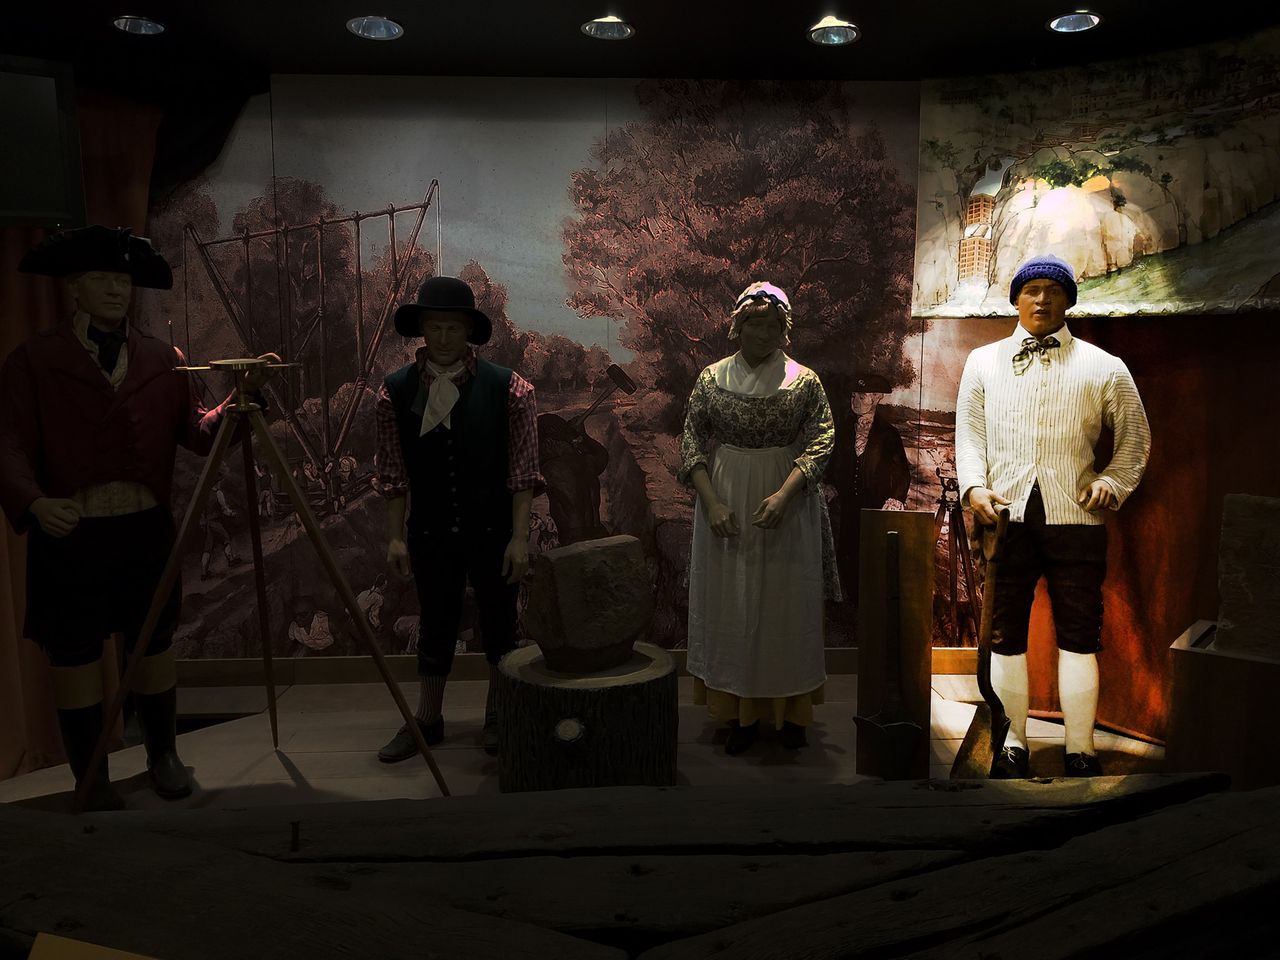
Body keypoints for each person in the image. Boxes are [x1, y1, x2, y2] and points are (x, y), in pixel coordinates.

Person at [0, 225, 274, 810]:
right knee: (73, 651)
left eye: (122, 280)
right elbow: (8, 444)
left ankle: (163, 756)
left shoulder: (161, 359)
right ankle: (91, 774)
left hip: (144, 532)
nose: (115, 290)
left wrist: (241, 401)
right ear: (74, 287)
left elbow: (197, 433)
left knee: (153, 642)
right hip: (70, 534)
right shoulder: (35, 361)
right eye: (101, 279)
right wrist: (36, 502)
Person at [955, 254, 1151, 778]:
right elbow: (969, 436)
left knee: (1080, 635)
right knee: (1005, 635)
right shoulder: (983, 362)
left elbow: (1135, 437)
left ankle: (1081, 748)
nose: (1042, 299)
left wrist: (1112, 481)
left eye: (1053, 290)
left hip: (1077, 520)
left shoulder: (1104, 366)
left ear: (1069, 300)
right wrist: (973, 487)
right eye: (1031, 290)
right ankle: (1012, 742)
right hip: (1006, 518)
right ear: (1016, 299)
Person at [373, 275, 542, 759]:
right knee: (436, 622)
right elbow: (392, 474)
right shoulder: (394, 392)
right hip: (430, 530)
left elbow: (523, 474)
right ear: (422, 330)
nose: (444, 337)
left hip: (492, 530)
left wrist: (519, 538)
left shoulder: (510, 389)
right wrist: (395, 537)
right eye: (435, 326)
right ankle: (427, 719)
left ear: (468, 331)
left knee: (499, 625)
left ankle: (498, 714)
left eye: (453, 327)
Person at [679, 281, 840, 755]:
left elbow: (822, 438)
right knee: (733, 602)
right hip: (726, 496)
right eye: (755, 323)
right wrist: (711, 502)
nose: (764, 333)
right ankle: (738, 714)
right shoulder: (711, 379)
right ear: (739, 325)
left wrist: (786, 494)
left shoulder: (803, 380)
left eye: (773, 324)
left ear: (783, 328)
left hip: (786, 500)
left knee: (786, 604)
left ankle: (791, 713)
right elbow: (691, 440)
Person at [831, 373, 911, 604]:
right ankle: (851, 604)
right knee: (847, 551)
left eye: (862, 396)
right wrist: (831, 485)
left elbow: (901, 471)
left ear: (876, 398)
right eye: (853, 396)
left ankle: (871, 603)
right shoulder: (843, 429)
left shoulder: (888, 434)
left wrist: (896, 498)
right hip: (848, 505)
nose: (855, 400)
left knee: (874, 553)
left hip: (876, 506)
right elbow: (835, 463)